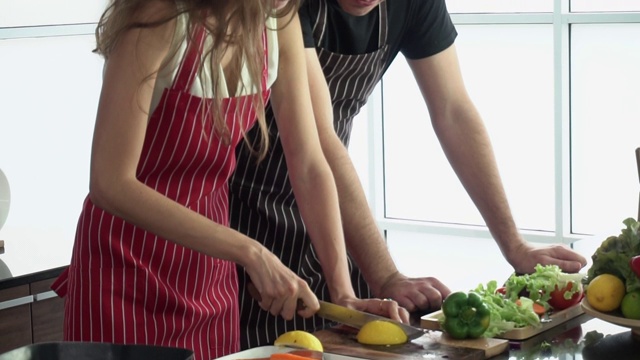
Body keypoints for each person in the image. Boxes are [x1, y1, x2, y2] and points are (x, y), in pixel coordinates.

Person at [50, 1, 406, 359]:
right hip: (124, 275)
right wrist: (248, 251)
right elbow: (110, 183)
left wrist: (343, 294)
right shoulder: (158, 18)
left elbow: (310, 165)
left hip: (208, 279)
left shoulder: (278, 24)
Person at [230, 0, 589, 350]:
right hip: (246, 217)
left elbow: (453, 111)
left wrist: (515, 246)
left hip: (334, 215)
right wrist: (385, 275)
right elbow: (319, 146)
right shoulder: (284, 6)